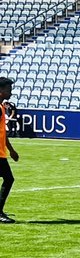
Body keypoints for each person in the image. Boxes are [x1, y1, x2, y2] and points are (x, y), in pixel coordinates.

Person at [0, 76, 20, 224]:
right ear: (1, 91)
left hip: (1, 153)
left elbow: (3, 133)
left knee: (8, 179)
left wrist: (11, 150)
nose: (11, 93)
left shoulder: (1, 107)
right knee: (8, 179)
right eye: (9, 89)